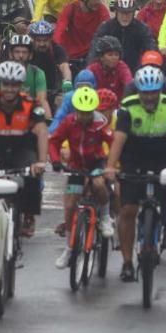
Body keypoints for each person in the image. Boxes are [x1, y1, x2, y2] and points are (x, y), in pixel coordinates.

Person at [105, 66, 166, 281]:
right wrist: (110, 166)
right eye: (144, 92)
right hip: (135, 154)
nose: (149, 97)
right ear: (138, 91)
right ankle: (127, 263)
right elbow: (119, 139)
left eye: (153, 92)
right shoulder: (128, 106)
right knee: (127, 210)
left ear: (160, 90)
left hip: (165, 154)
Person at [0, 61, 49, 238]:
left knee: (31, 175)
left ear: (21, 86)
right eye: (6, 84)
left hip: (21, 149)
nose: (9, 89)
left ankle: (29, 216)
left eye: (14, 85)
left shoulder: (32, 105)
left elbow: (41, 131)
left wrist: (41, 162)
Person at [49, 85, 115, 268]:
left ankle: (105, 217)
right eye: (81, 112)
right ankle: (69, 248)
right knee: (70, 204)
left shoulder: (101, 123)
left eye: (88, 113)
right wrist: (55, 160)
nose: (84, 116)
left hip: (96, 164)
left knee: (99, 184)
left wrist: (111, 166)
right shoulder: (69, 123)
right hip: (76, 166)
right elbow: (53, 141)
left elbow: (114, 142)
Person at [54, 0, 111, 74]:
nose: (99, 2)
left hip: (91, 53)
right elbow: (60, 30)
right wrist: (57, 51)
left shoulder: (101, 10)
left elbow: (108, 30)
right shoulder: (71, 8)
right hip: (70, 55)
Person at [91, 0, 156, 70]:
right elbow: (94, 50)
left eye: (128, 13)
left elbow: (151, 48)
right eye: (122, 13)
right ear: (116, 12)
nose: (125, 17)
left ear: (133, 13)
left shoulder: (142, 28)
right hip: (109, 71)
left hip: (134, 71)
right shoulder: (106, 27)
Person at [85, 36, 133, 101]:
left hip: (117, 108)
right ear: (101, 57)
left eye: (116, 55)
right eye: (110, 55)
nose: (114, 58)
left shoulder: (122, 67)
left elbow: (129, 84)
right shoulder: (92, 69)